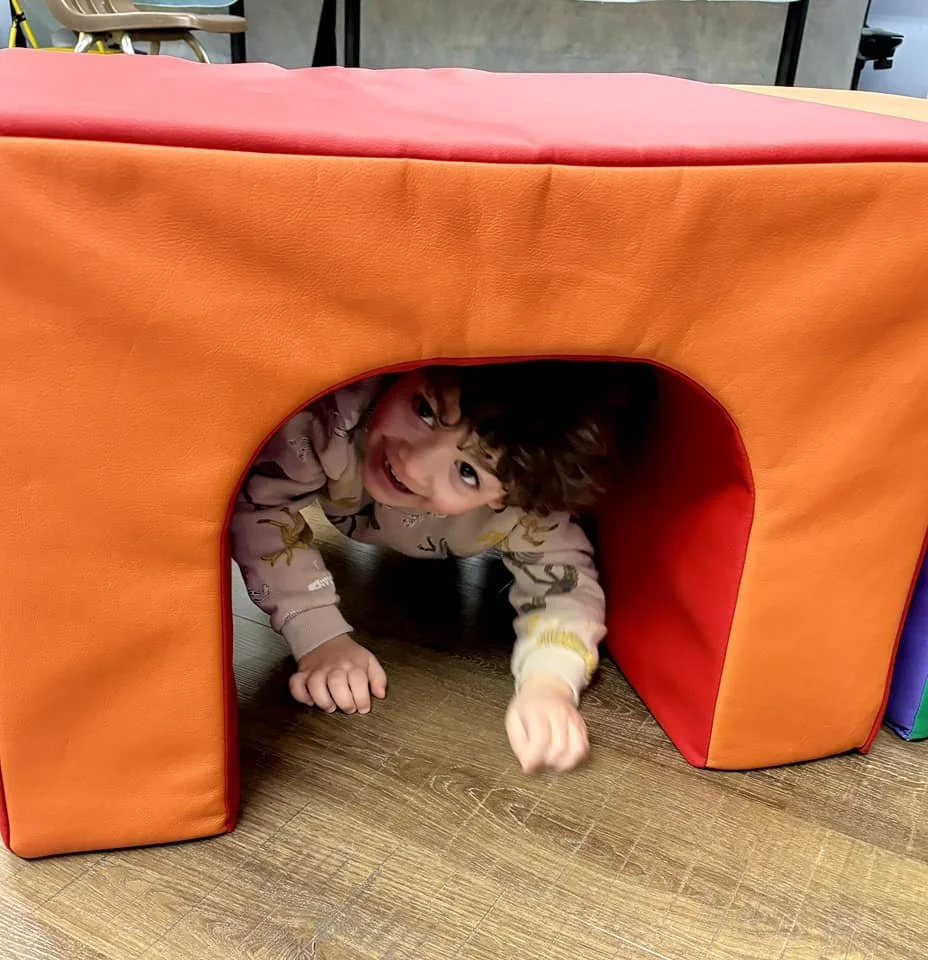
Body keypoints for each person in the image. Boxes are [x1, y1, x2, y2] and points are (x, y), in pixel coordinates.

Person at [230, 361, 652, 773]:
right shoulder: (332, 418)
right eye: (425, 410)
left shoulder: (527, 504)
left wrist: (550, 683)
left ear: (504, 497)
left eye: (467, 472)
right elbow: (257, 504)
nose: (413, 463)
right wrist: (319, 636)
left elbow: (565, 588)